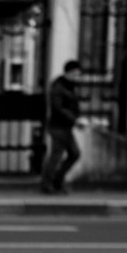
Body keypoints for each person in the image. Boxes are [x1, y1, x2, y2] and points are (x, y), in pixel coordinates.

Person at [40, 59, 83, 194]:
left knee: (74, 153)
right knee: (56, 155)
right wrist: (75, 119)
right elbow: (58, 108)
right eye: (75, 74)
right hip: (58, 126)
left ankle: (56, 181)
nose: (78, 77)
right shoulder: (59, 87)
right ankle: (48, 184)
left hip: (65, 127)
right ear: (68, 73)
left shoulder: (68, 86)